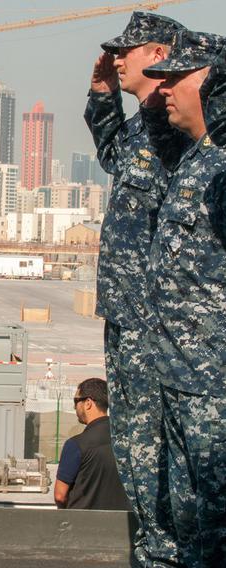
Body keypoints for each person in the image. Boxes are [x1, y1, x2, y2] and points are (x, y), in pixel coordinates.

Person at [83, 11, 184, 565]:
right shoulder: (145, 124)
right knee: (135, 444)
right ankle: (153, 547)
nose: (117, 58)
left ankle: (168, 549)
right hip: (125, 311)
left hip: (161, 319)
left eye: (129, 50)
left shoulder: (182, 123)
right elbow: (111, 154)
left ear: (163, 53)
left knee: (161, 444)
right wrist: (102, 95)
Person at [142, 30, 226, 567]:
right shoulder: (197, 159)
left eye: (177, 79)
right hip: (179, 376)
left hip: (214, 384)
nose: (165, 90)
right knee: (191, 522)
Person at [54, 378, 130, 511]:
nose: (74, 407)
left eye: (76, 401)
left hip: (83, 525)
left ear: (88, 403)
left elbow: (60, 496)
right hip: (122, 525)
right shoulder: (126, 440)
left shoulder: (76, 445)